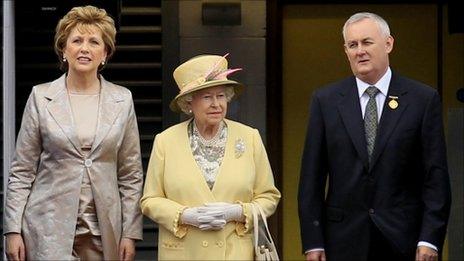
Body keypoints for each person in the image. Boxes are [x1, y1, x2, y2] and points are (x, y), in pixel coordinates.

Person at [298, 12, 451, 261]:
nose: (360, 51)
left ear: (388, 43)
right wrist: (313, 241)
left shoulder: (422, 100)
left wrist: (429, 239)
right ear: (345, 51)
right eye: (352, 45)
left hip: (404, 240)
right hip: (343, 241)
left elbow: (435, 177)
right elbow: (311, 179)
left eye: (367, 42)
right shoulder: (325, 101)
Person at [4, 5, 143, 261]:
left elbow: (130, 174)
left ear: (105, 53)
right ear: (64, 49)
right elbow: (22, 171)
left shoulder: (122, 100)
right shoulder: (41, 97)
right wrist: (12, 230)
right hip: (46, 226)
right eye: (77, 40)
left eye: (94, 41)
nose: (84, 48)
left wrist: (130, 233)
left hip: (103, 229)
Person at [140, 54, 281, 260]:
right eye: (207, 97)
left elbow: (269, 197)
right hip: (184, 253)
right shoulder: (166, 141)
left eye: (221, 96)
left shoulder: (249, 137)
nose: (216, 104)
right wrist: (185, 216)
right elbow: (150, 200)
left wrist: (236, 212)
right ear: (189, 103)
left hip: (236, 253)